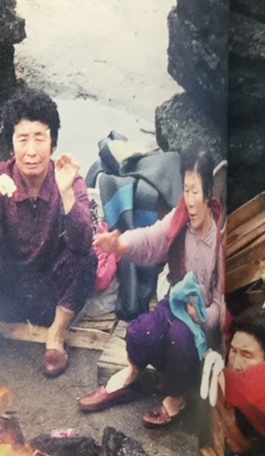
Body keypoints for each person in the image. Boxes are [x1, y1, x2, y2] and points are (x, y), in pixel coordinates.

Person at [80, 143, 225, 426]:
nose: (190, 200)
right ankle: (132, 374)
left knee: (180, 341)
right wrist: (120, 244)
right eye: (186, 189)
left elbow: (221, 302)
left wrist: (205, 318)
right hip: (175, 304)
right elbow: (151, 240)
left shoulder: (221, 240)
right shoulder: (180, 217)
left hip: (203, 324)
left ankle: (175, 398)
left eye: (196, 191)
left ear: (209, 193)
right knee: (140, 331)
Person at [0, 87, 95, 377]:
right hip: (7, 294)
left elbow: (82, 244)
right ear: (12, 143)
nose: (31, 151)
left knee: (87, 257)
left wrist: (67, 192)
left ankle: (56, 335)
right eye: (23, 139)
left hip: (49, 294)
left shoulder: (68, 177)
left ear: (53, 142)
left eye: (39, 139)